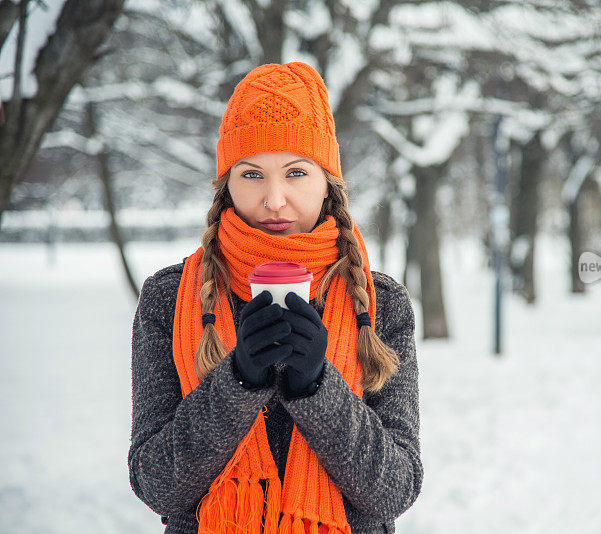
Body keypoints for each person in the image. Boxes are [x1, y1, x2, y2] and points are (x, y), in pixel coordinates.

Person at [128, 62, 422, 534]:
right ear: (226, 184)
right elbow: (157, 484)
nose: (274, 199)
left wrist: (316, 387)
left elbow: (395, 488)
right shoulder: (170, 298)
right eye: (251, 175)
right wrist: (238, 381)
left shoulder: (378, 303)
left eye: (296, 172)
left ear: (328, 182)